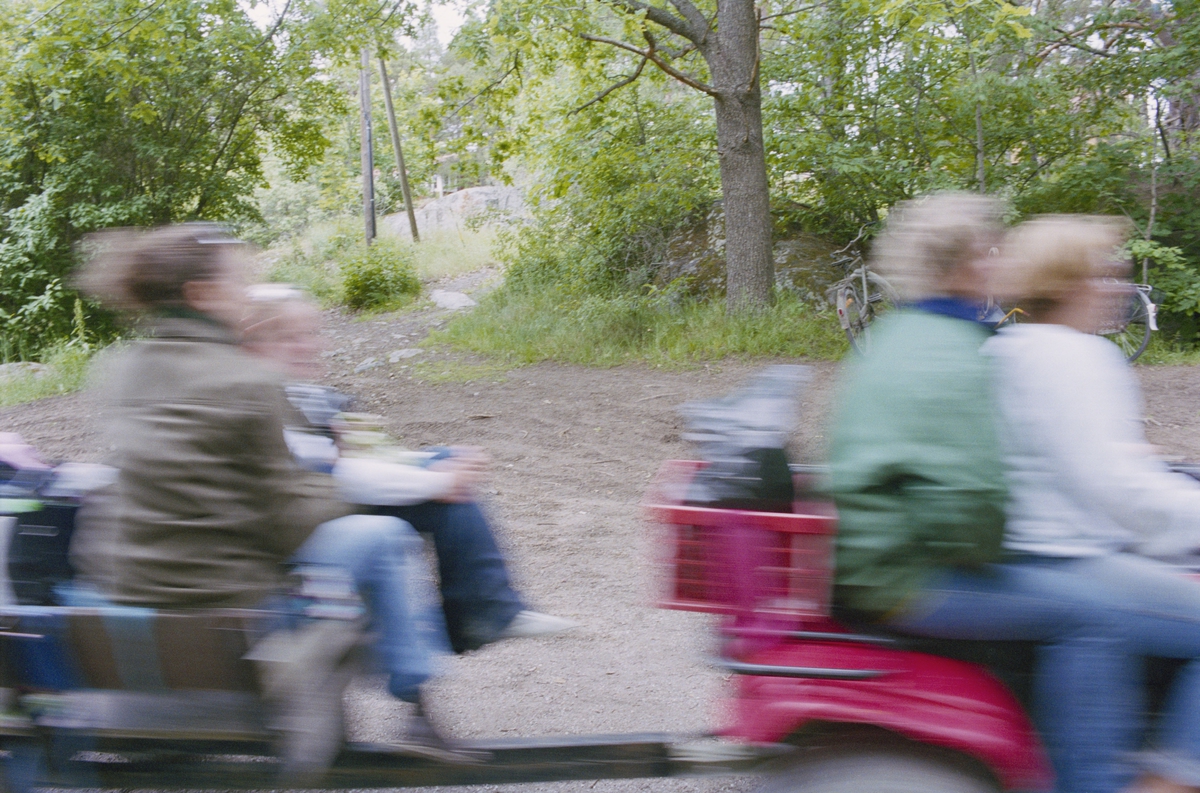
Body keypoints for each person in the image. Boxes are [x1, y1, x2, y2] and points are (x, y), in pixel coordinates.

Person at [826, 195, 1198, 793]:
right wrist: (1001, 547)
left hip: (882, 555)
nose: (1001, 261)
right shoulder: (957, 350)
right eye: (990, 249)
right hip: (909, 573)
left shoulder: (914, 333)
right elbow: (973, 497)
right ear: (965, 264)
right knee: (1091, 613)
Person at [71, 224, 450, 753]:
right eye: (239, 281)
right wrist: (346, 487)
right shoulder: (247, 380)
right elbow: (286, 525)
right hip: (229, 606)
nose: (248, 293)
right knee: (384, 535)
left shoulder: (119, 369)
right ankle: (417, 708)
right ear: (201, 294)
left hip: (129, 587)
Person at [240, 285, 576, 653]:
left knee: (440, 461)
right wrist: (438, 482)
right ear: (255, 341)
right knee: (442, 490)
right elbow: (337, 478)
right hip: (299, 524)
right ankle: (480, 615)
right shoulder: (261, 400)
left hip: (312, 505)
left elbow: (342, 465)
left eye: (312, 333)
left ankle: (487, 610)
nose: (312, 346)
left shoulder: (290, 392)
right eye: (292, 337)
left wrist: (430, 467)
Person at [987, 216, 1200, 793]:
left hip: (1028, 545)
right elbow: (1117, 488)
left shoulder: (1008, 346)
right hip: (1062, 554)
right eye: (1104, 274)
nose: (1117, 287)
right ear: (1066, 284)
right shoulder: (1078, 357)